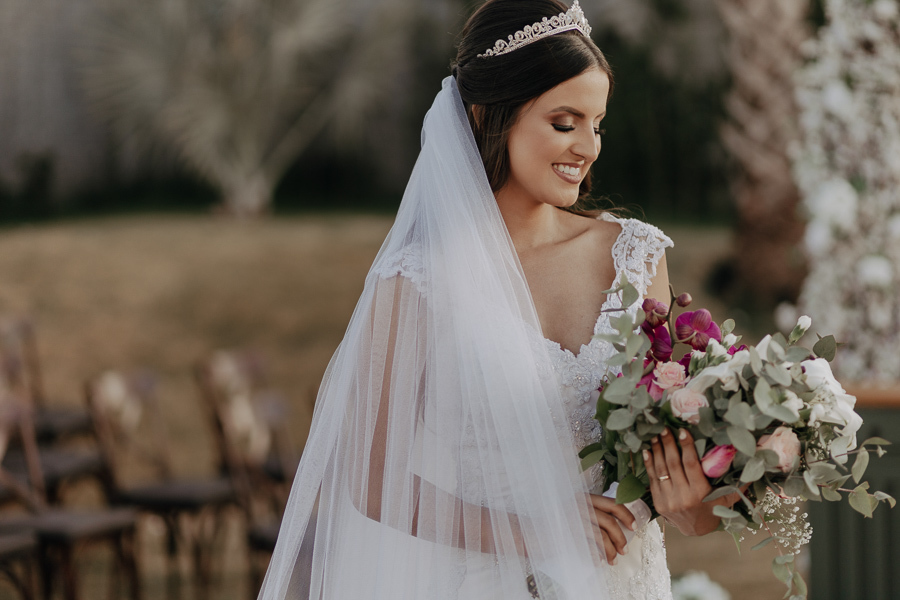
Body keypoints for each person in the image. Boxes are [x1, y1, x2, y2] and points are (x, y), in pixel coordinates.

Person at [260, 1, 730, 598]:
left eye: (597, 124)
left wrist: (693, 499)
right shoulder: (419, 283)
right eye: (565, 123)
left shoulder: (635, 258)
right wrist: (537, 531)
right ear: (489, 117)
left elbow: (673, 477)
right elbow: (373, 477)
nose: (588, 147)